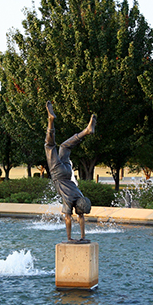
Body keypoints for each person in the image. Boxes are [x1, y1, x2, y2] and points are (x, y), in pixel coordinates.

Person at [45, 101, 96, 243]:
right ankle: (50, 120)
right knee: (49, 145)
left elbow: (80, 216)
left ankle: (85, 131)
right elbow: (68, 218)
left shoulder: (79, 193)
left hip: (68, 172)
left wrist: (82, 237)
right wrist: (70, 238)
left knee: (65, 147)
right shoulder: (70, 199)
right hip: (59, 174)